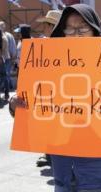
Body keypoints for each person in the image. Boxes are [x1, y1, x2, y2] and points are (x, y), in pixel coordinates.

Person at [9, 4, 101, 192]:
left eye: (83, 28)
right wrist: (15, 104)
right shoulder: (49, 65)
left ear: (96, 30)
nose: (76, 35)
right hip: (65, 172)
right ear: (62, 32)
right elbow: (31, 103)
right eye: (70, 29)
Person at [35, 9, 62, 168]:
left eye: (45, 25)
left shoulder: (59, 46)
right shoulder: (42, 44)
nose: (43, 28)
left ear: (51, 26)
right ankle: (49, 154)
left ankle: (53, 155)